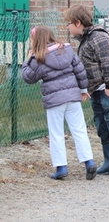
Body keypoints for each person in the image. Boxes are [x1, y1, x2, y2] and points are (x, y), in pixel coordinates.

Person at [63, 5, 109, 180]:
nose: (67, 27)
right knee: (102, 126)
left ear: (78, 23)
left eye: (68, 23)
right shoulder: (85, 38)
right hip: (96, 88)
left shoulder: (98, 37)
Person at [22, 26, 97, 181]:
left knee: (56, 133)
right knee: (79, 130)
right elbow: (80, 70)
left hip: (54, 99)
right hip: (72, 95)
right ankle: (89, 162)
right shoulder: (67, 50)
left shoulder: (39, 57)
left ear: (36, 40)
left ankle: (61, 167)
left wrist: (28, 59)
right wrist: (83, 89)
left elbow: (28, 77)